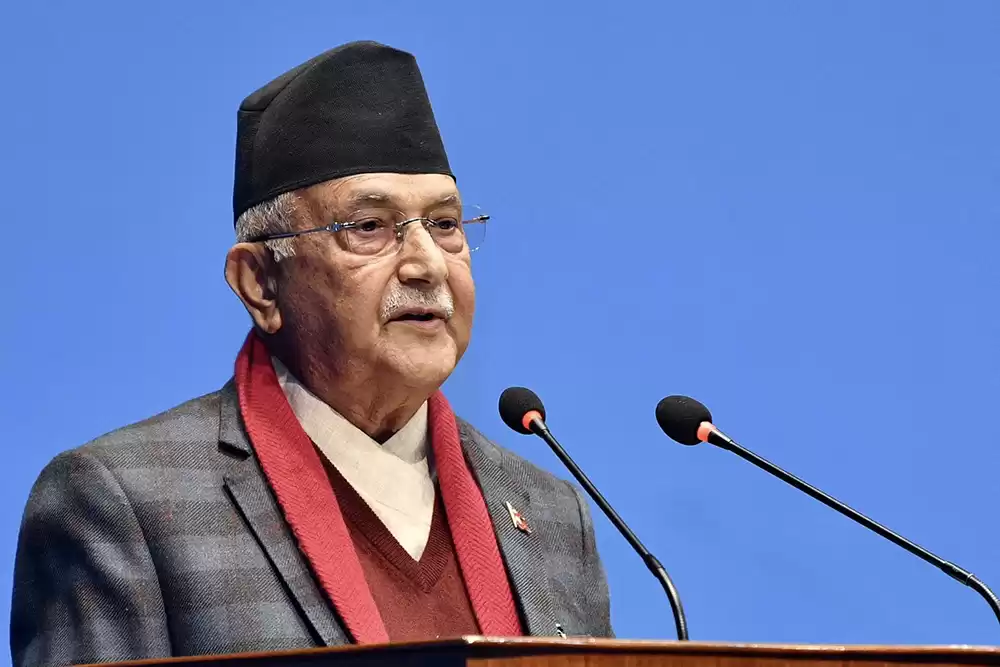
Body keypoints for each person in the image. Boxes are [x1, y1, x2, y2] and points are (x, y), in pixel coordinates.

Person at [10, 41, 613, 667]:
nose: (428, 265)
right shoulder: (125, 504)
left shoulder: (552, 513)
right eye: (368, 227)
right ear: (260, 283)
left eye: (445, 224)